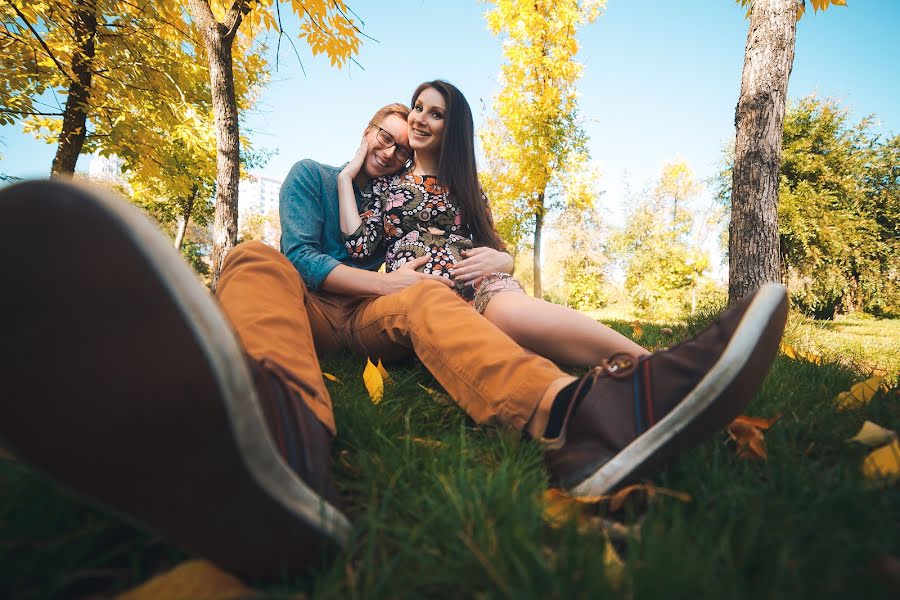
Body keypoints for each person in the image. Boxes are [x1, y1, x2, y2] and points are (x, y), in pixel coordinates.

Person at [0, 100, 788, 579]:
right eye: (379, 135)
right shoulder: (316, 177)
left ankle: (579, 416)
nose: (389, 146)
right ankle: (284, 441)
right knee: (256, 258)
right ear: (361, 137)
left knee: (429, 301)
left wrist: (467, 272)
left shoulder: (403, 197)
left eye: (397, 137)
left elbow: (450, 246)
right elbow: (309, 258)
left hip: (381, 319)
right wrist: (363, 206)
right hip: (307, 306)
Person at [337, 80, 647, 367]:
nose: (419, 118)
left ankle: (649, 364)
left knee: (511, 312)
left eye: (435, 114)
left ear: (451, 129)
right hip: (426, 299)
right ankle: (603, 386)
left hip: (479, 283)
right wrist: (345, 178)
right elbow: (360, 246)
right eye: (418, 108)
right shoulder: (384, 186)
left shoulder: (465, 187)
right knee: (508, 353)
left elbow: (495, 246)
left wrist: (505, 260)